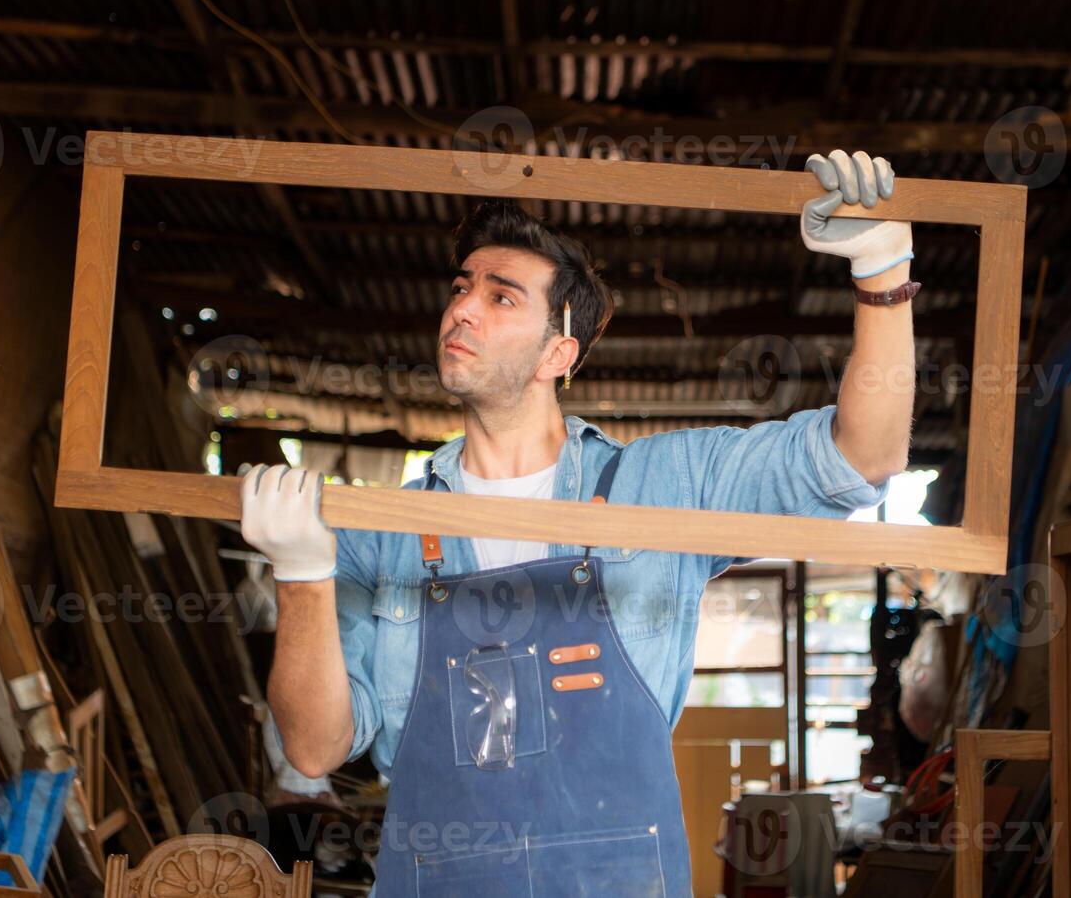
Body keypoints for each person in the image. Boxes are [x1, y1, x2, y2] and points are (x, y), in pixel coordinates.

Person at [241, 149, 917, 895]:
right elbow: (312, 748)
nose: (460, 308)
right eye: (461, 288)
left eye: (501, 298)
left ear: (558, 351)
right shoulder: (386, 526)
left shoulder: (665, 489)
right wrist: (301, 575)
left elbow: (863, 460)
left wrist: (881, 275)